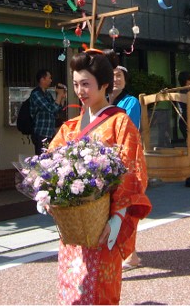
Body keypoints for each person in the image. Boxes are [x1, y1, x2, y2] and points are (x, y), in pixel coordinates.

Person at [48, 48, 151, 304]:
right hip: (74, 223)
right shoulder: (70, 127)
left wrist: (117, 217)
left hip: (103, 221)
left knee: (100, 287)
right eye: (76, 84)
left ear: (104, 85)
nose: (80, 90)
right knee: (74, 286)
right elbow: (49, 166)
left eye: (86, 84)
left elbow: (131, 171)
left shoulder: (120, 123)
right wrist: (48, 195)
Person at [108, 63, 144, 271]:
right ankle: (130, 253)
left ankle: (130, 254)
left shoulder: (130, 102)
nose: (116, 79)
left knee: (127, 206)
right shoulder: (102, 101)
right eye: (113, 75)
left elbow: (126, 131)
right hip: (108, 161)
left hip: (127, 160)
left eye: (120, 75)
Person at [30, 68, 67, 154]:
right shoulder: (36, 94)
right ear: (42, 79)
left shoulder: (47, 94)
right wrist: (59, 95)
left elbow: (57, 110)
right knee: (42, 160)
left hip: (50, 132)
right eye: (49, 78)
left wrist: (61, 98)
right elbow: (51, 109)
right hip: (41, 133)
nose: (51, 80)